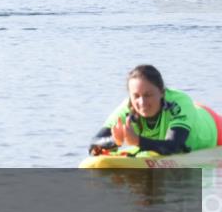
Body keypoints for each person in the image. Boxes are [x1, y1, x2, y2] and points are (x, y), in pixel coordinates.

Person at [88, 64, 222, 156]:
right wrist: (114, 141)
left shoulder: (179, 102)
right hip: (192, 113)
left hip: (214, 128)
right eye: (136, 96)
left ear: (162, 92)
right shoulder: (127, 107)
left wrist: (137, 141)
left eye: (148, 95)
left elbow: (173, 146)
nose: (142, 102)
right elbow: (94, 142)